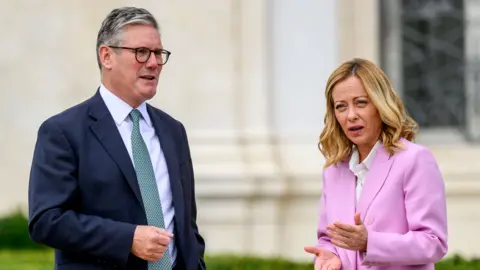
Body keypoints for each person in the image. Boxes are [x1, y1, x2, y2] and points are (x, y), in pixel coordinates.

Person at [28, 7, 206, 270]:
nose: (154, 62)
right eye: (141, 52)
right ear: (107, 56)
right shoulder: (63, 132)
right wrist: (128, 238)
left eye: (158, 53)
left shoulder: (173, 131)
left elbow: (186, 226)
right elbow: (47, 221)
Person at [304, 58, 448, 269]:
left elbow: (433, 243)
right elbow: (328, 238)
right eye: (341, 106)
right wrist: (329, 256)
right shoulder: (333, 170)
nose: (351, 115)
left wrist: (369, 243)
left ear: (380, 105)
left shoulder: (415, 160)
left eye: (361, 102)